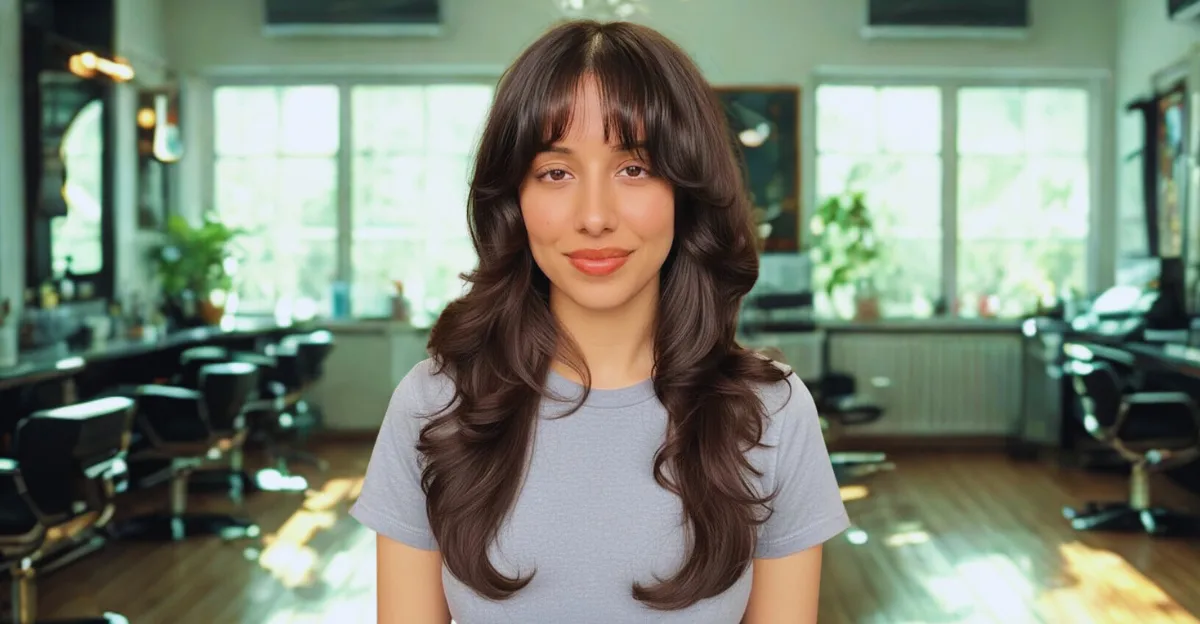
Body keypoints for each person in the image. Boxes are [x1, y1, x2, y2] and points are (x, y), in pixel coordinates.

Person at [351, 19, 849, 624]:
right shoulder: (434, 404)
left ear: (685, 192)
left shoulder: (771, 412)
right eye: (556, 173)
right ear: (514, 200)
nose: (594, 217)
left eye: (634, 168)